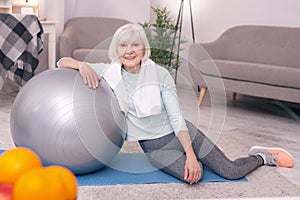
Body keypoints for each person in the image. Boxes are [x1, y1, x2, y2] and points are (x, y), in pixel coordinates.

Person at [57, 23, 294, 185]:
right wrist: (82, 65)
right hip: (154, 147)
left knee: (230, 172)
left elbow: (176, 116)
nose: (130, 51)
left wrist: (191, 154)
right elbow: (60, 62)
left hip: (181, 131)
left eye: (135, 45)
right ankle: (210, 153)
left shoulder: (159, 74)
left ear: (144, 48)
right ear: (115, 49)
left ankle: (263, 156)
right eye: (123, 45)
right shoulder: (108, 72)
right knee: (192, 178)